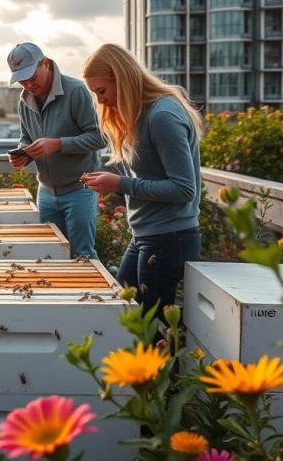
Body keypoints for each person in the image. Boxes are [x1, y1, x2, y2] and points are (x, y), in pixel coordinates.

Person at [78, 43, 203, 314]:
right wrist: (112, 179)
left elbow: (184, 188)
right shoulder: (143, 114)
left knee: (152, 333)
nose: (100, 101)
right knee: (125, 317)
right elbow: (151, 174)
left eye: (101, 91)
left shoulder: (162, 116)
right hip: (148, 236)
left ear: (121, 79)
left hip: (169, 237)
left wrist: (119, 184)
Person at [6, 42, 106, 259]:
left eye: (32, 77)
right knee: (49, 254)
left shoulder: (77, 91)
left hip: (80, 189)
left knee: (83, 256)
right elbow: (27, 137)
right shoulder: (24, 100)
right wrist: (25, 154)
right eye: (22, 80)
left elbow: (100, 137)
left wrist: (58, 144)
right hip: (46, 192)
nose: (29, 84)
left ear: (46, 64)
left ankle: (89, 294)